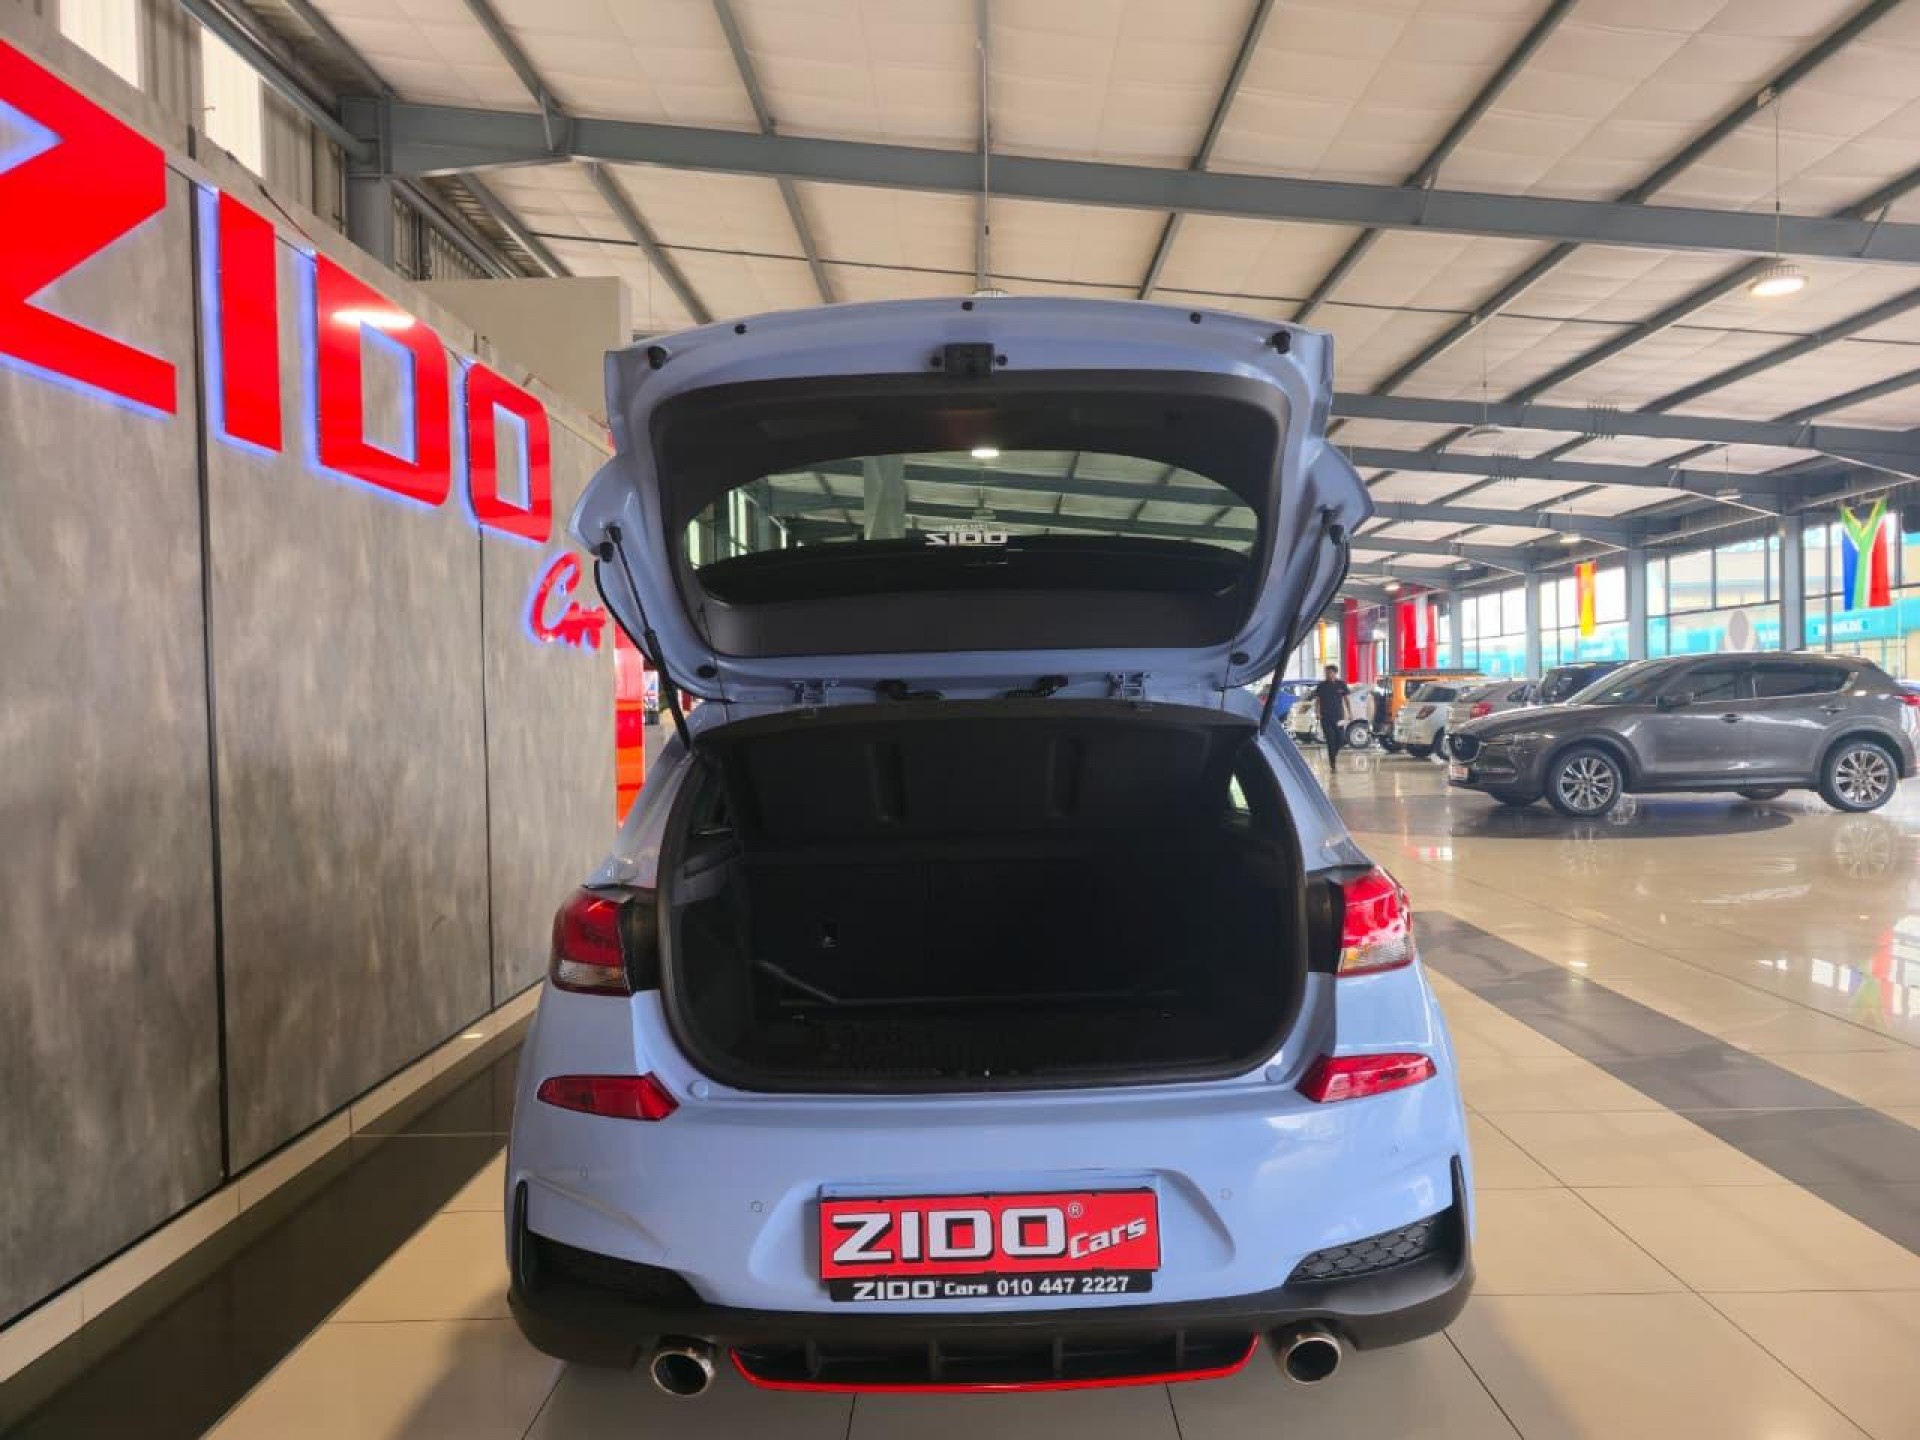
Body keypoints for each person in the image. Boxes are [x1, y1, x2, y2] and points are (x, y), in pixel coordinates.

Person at [1311, 664, 1352, 772]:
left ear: (1335, 673)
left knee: (1341, 739)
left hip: (1339, 717)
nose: (1327, 674)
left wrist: (1350, 713)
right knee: (1330, 740)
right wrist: (1317, 712)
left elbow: (1346, 700)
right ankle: (1332, 765)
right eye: (1326, 673)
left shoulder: (1341, 684)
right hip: (1325, 718)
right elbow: (1317, 701)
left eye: (1329, 672)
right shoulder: (1321, 686)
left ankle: (1333, 754)